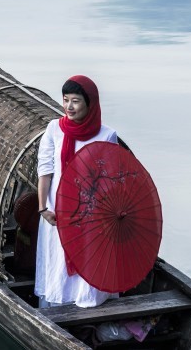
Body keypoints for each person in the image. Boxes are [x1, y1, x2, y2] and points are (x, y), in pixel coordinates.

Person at [34, 75, 118, 308]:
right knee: (58, 262)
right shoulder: (54, 129)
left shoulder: (107, 135)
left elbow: (108, 182)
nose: (69, 107)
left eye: (76, 101)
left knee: (86, 265)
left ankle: (85, 309)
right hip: (55, 212)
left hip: (89, 215)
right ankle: (60, 308)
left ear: (90, 103)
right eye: (65, 100)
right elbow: (45, 171)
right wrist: (43, 208)